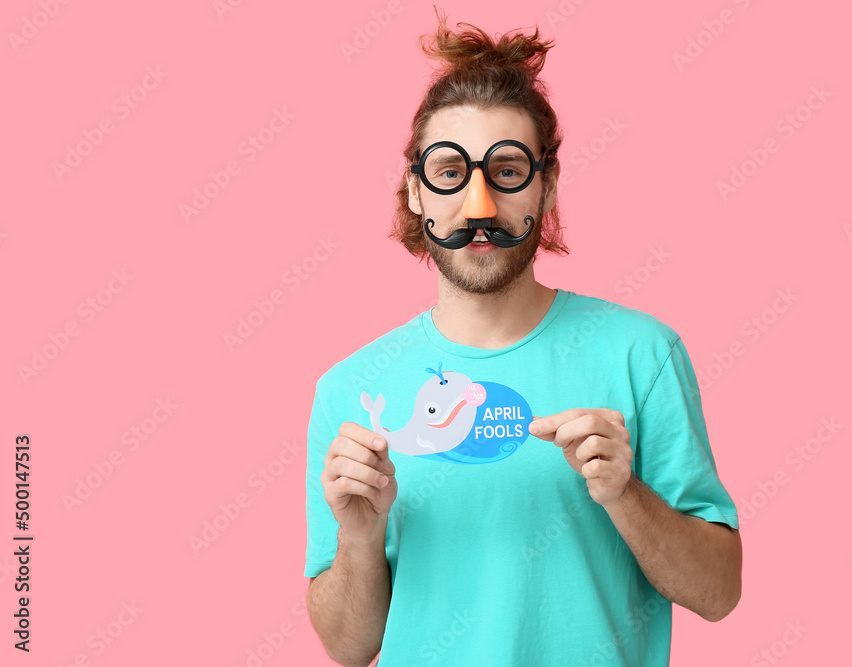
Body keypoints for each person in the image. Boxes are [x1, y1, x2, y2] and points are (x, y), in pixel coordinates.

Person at [304, 9, 741, 666]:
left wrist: (625, 493)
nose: (479, 208)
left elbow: (718, 591)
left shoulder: (642, 355)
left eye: (506, 170)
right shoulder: (350, 390)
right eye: (450, 173)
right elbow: (348, 645)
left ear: (547, 184)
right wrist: (360, 536)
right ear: (416, 191)